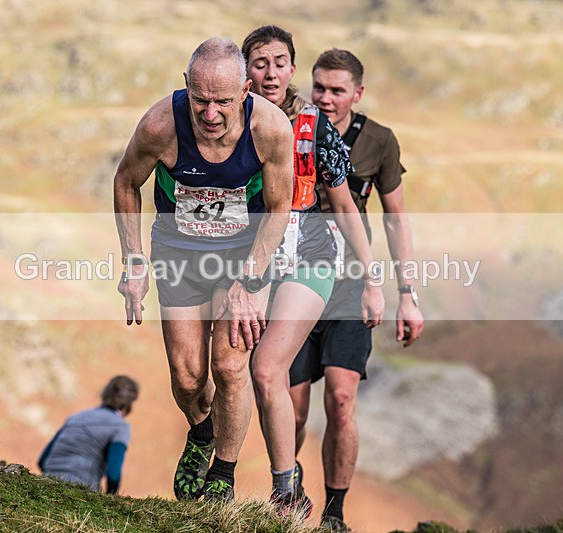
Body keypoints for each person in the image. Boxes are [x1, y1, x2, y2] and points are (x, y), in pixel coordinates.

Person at [113, 37, 294, 502]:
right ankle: (201, 432)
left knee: (230, 367)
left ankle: (223, 476)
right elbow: (126, 182)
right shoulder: (160, 125)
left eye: (222, 103)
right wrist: (134, 261)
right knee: (189, 376)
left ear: (246, 91)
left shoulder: (270, 129)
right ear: (185, 88)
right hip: (178, 250)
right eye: (199, 101)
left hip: (244, 252)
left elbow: (278, 208)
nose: (210, 114)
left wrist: (252, 281)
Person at [241, 26, 384, 519]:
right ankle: (236, 475)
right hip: (245, 268)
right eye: (260, 62)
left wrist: (373, 280)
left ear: (292, 68)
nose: (271, 72)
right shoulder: (223, 121)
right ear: (245, 70)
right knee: (232, 375)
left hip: (309, 260)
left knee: (268, 371)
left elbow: (345, 205)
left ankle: (294, 496)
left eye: (280, 62)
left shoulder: (312, 126)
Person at [288, 49, 425, 532]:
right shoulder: (290, 127)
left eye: (337, 90)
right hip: (293, 281)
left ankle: (334, 515)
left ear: (357, 94)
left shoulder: (379, 143)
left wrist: (407, 293)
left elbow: (396, 218)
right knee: (293, 405)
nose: (325, 98)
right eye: (319, 87)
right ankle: (285, 495)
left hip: (349, 288)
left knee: (342, 400)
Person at [38, 375, 139, 494]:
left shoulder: (75, 418)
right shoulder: (120, 427)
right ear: (129, 404)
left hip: (45, 484)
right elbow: (113, 473)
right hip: (80, 490)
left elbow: (43, 460)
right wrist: (111, 499)